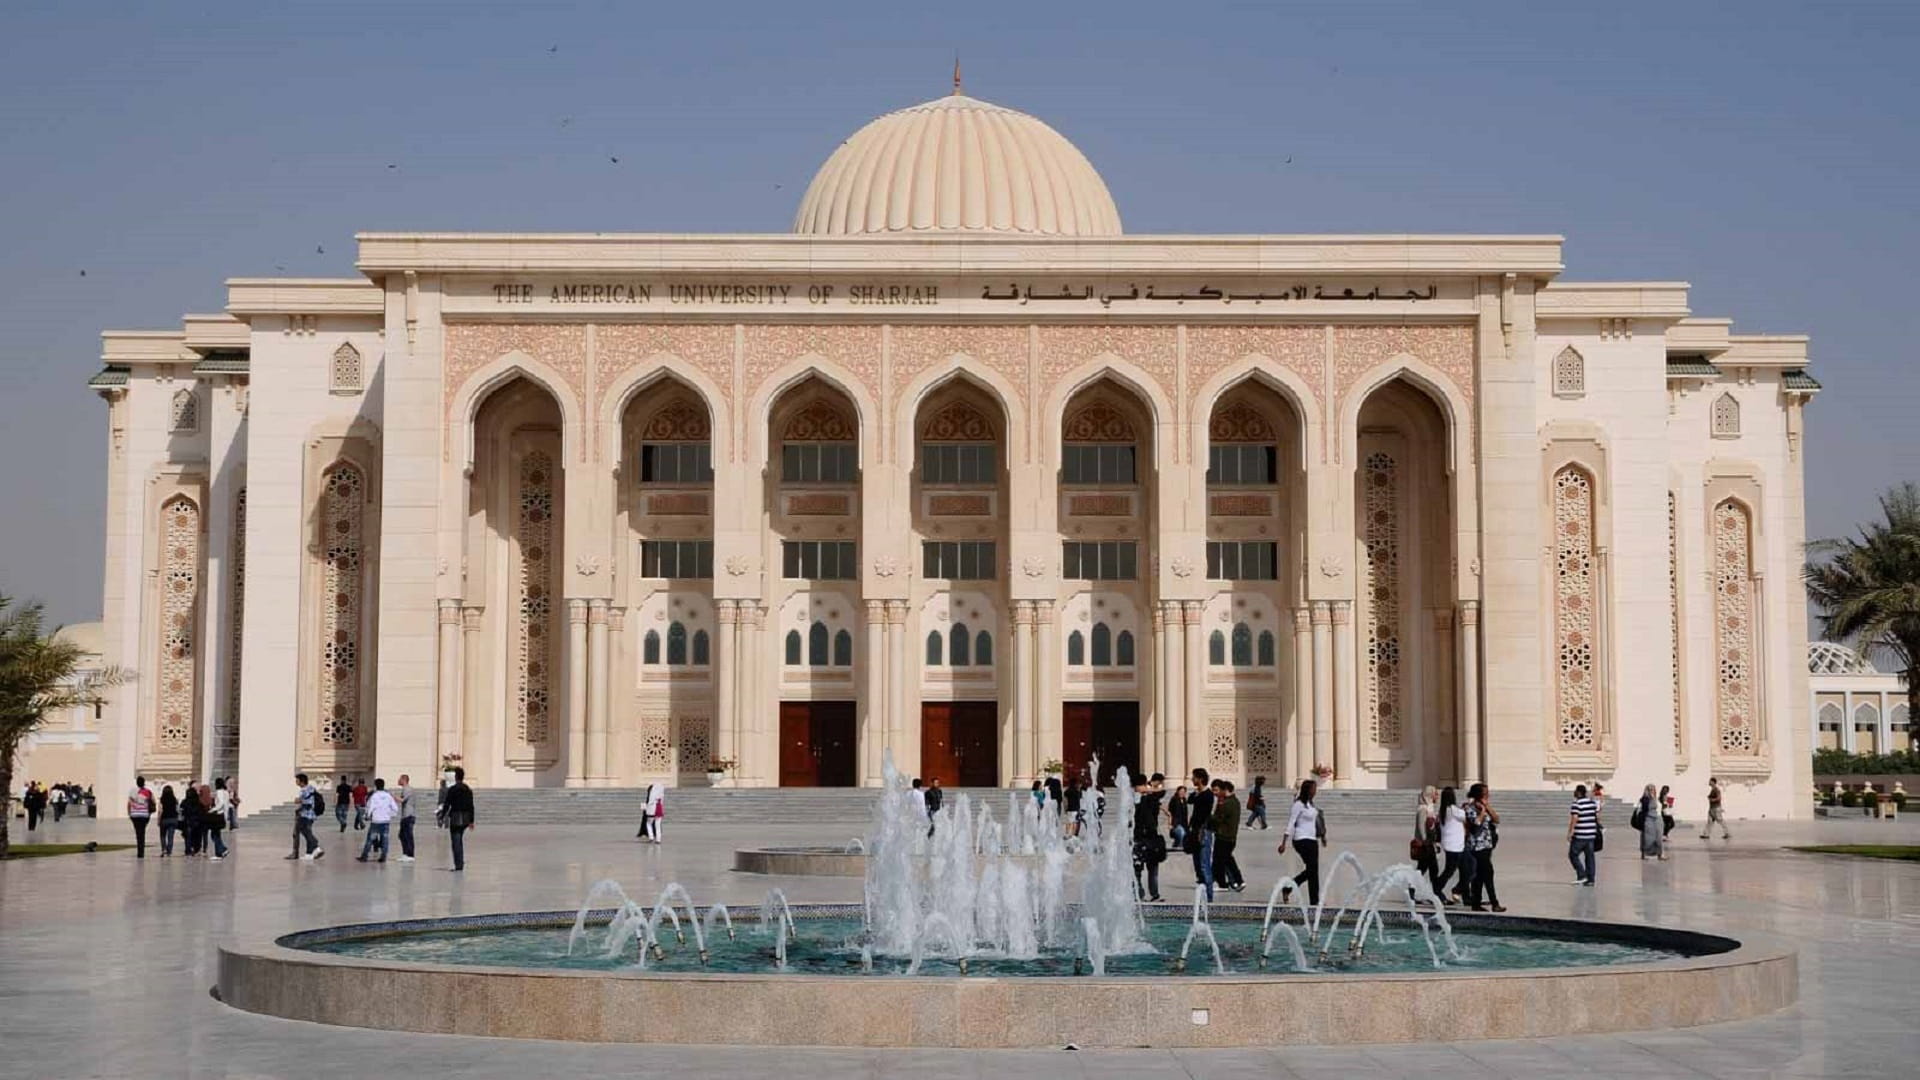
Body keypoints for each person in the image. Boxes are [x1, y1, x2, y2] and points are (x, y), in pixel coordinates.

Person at [1278, 778, 1324, 905]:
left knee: (1313, 870)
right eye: (1313, 788)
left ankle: (1290, 889)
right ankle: (1313, 901)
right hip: (1301, 839)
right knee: (1312, 870)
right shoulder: (1298, 805)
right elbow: (1291, 823)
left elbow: (1317, 821)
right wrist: (1284, 843)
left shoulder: (1311, 804)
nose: (1315, 791)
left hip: (1312, 839)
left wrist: (1323, 836)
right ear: (1307, 790)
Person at [1464, 783, 1504, 911]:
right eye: (1485, 793)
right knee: (1487, 873)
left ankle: (1476, 902)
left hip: (1486, 845)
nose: (1488, 795)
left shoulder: (1486, 807)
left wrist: (1487, 807)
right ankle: (1494, 903)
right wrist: (1481, 811)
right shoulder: (1469, 808)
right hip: (1476, 846)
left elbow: (1496, 819)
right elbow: (1476, 825)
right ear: (1478, 795)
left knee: (1480, 875)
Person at [1131, 773, 1166, 902]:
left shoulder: (1149, 798)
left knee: (1150, 867)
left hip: (1147, 835)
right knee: (1139, 867)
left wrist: (1149, 789)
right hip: (1140, 836)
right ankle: (1140, 894)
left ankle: (1151, 894)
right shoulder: (1134, 797)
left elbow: (1162, 792)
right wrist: (1151, 788)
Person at [1432, 786, 1469, 903]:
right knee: (1452, 870)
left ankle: (1461, 892)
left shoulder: (1443, 810)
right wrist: (1466, 807)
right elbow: (1465, 816)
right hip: (1456, 846)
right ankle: (1437, 888)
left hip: (1451, 845)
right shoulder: (1454, 810)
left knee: (1463, 869)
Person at [1210, 779, 1245, 893]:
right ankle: (1238, 881)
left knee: (1219, 860)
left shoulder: (1227, 804)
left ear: (1225, 790)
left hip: (1224, 836)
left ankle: (1222, 884)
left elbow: (1218, 818)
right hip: (1230, 836)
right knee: (1228, 859)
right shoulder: (1235, 801)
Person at [1186, 768, 1215, 898]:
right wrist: (1196, 792)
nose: (1192, 779)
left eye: (1194, 777)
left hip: (1203, 832)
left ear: (1200, 779)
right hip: (1195, 831)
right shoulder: (1198, 794)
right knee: (1197, 865)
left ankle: (1209, 897)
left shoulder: (1208, 795)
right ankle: (1202, 894)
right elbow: (1189, 800)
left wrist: (1201, 831)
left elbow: (1205, 814)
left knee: (1204, 865)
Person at [441, 766, 475, 871]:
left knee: (456, 842)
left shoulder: (453, 789)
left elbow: (447, 804)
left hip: (456, 818)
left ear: (456, 777)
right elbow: (471, 806)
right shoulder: (468, 790)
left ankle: (458, 864)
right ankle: (460, 863)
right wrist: (471, 821)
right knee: (459, 840)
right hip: (465, 818)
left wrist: (442, 816)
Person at [358, 778, 398, 862]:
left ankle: (364, 856)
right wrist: (390, 815)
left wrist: (367, 816)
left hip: (376, 820)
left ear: (376, 786)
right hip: (385, 821)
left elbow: (370, 807)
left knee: (370, 839)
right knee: (385, 839)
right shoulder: (388, 796)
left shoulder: (374, 796)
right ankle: (383, 856)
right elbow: (395, 808)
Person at [1568, 783, 1599, 886]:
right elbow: (1597, 816)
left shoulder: (1576, 804)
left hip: (1580, 835)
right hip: (1591, 835)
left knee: (1573, 854)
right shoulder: (1592, 803)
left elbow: (1575, 818)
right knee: (1590, 857)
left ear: (1578, 792)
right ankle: (1591, 880)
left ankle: (1581, 875)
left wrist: (1570, 832)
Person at [287, 772, 324, 860]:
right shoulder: (311, 788)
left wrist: (298, 801)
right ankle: (309, 854)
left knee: (306, 833)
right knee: (307, 833)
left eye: (297, 780)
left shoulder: (304, 790)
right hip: (311, 815)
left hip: (305, 815)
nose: (296, 781)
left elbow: (308, 802)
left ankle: (317, 847)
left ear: (302, 781)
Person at [1413, 786, 1441, 891]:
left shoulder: (1430, 808)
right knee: (1432, 869)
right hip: (1426, 845)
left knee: (1422, 869)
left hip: (1429, 844)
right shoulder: (1423, 809)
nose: (1437, 796)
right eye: (1435, 794)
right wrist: (1426, 841)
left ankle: (1411, 890)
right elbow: (1421, 827)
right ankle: (1437, 893)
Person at [126, 776, 155, 858]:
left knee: (138, 833)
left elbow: (129, 803)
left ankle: (140, 852)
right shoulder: (148, 791)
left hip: (135, 815)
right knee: (142, 833)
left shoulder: (133, 791)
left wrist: (129, 813)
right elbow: (153, 802)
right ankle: (141, 851)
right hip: (144, 815)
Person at [1635, 783, 1666, 860]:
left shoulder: (1656, 798)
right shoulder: (1645, 799)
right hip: (1649, 820)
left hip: (1658, 819)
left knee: (1659, 838)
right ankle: (1644, 854)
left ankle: (1660, 854)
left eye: (1653, 789)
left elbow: (1659, 807)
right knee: (1647, 838)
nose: (1652, 791)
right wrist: (1651, 799)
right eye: (1650, 789)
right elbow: (1646, 808)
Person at [394, 774, 418, 862]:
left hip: (408, 815)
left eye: (399, 779)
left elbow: (402, 800)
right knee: (402, 835)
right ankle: (405, 854)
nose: (398, 780)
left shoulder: (408, 789)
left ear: (404, 780)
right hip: (405, 815)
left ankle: (410, 854)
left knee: (408, 835)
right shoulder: (405, 789)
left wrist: (392, 796)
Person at [204, 781, 229, 860]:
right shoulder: (226, 793)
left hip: (218, 815)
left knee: (214, 834)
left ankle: (221, 851)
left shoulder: (219, 792)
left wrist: (213, 809)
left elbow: (221, 803)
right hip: (222, 815)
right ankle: (221, 850)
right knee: (216, 834)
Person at [180, 783, 205, 856]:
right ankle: (196, 848)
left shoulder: (185, 802)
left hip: (188, 821)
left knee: (188, 836)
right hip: (197, 821)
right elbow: (202, 810)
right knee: (197, 836)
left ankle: (188, 850)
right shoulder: (198, 802)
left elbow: (181, 810)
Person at [1167, 785, 1189, 853]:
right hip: (1175, 821)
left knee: (1184, 833)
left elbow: (1186, 813)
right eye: (1180, 791)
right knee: (1181, 832)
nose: (1182, 793)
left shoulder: (1184, 800)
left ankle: (1176, 845)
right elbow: (1170, 812)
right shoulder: (1174, 799)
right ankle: (1180, 846)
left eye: (1183, 792)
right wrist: (1170, 823)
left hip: (1183, 821)